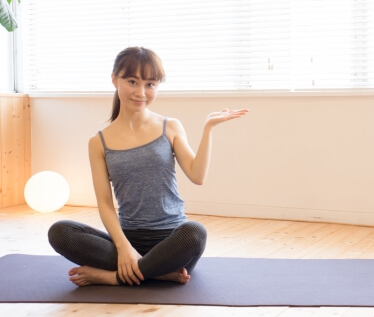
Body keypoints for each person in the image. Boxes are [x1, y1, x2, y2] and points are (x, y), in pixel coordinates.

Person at [48, 46, 249, 287]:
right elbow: (104, 203)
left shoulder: (170, 127)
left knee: (195, 232)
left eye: (150, 84)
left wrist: (208, 129)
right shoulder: (98, 143)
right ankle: (154, 272)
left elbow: (197, 175)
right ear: (115, 80)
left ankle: (113, 277)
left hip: (173, 241)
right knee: (60, 231)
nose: (141, 92)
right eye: (132, 81)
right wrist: (123, 248)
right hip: (126, 240)